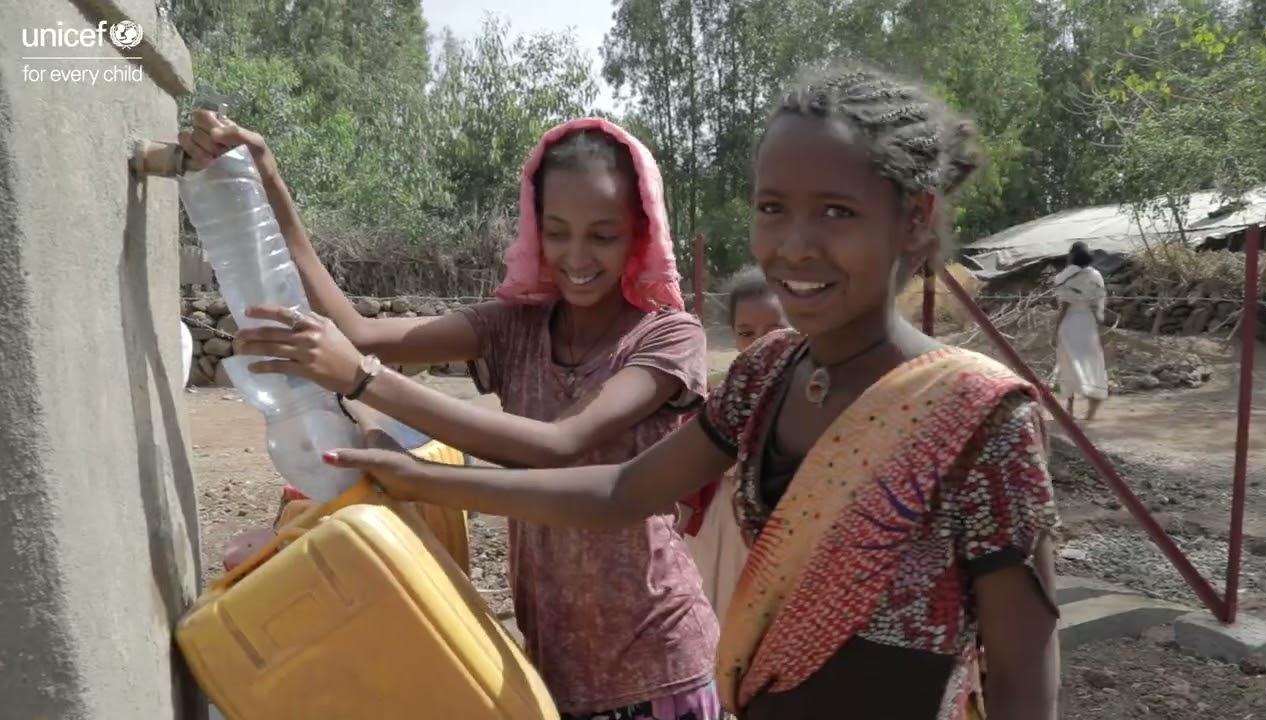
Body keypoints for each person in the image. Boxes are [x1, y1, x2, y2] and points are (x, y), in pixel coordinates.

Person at [317, 65, 1063, 720]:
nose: (794, 245)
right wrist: (422, 479)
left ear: (916, 220)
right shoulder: (766, 376)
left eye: (837, 211)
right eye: (772, 208)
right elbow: (620, 491)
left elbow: (1023, 679)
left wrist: (383, 405)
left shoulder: (977, 418)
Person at [179, 113, 722, 719]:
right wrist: (271, 184)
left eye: (603, 235)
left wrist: (365, 382)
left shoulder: (667, 337)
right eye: (557, 231)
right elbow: (358, 332)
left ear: (639, 233)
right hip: (554, 666)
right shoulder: (515, 327)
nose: (576, 255)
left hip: (657, 665)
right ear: (535, 228)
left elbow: (559, 444)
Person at [679, 266, 787, 621]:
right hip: (720, 530)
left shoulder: (815, 398)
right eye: (746, 332)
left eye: (775, 330)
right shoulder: (723, 396)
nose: (761, 343)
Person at [1052, 241, 1108, 420]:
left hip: (1069, 324)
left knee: (1068, 364)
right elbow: (1098, 304)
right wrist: (1099, 323)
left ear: (1071, 256)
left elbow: (1064, 307)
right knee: (1092, 362)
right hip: (1088, 324)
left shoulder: (1064, 277)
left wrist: (1055, 330)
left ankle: (1069, 409)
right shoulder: (1095, 276)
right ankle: (1092, 406)